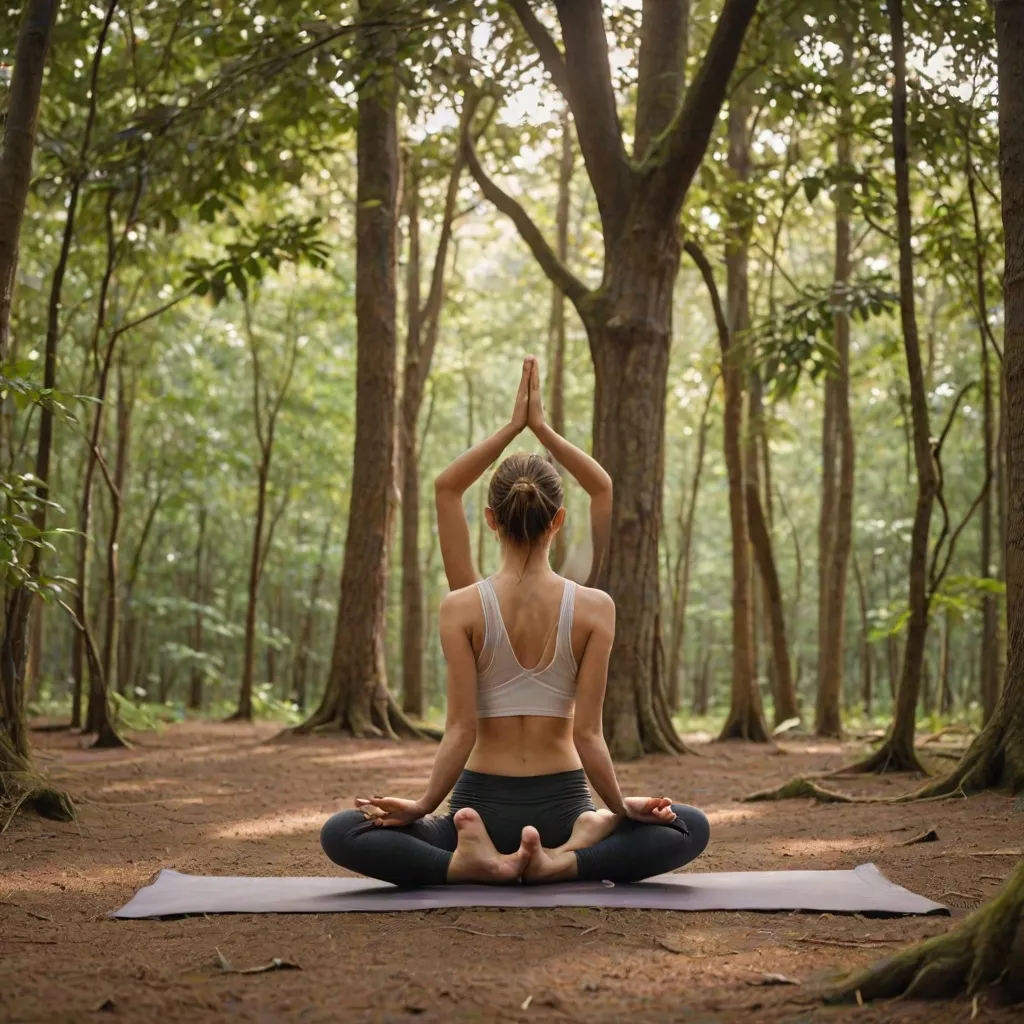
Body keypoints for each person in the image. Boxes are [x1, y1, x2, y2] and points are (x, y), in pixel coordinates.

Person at [320, 357, 710, 886]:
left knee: (343, 831)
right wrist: (619, 807)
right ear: (558, 521)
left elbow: (460, 729)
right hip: (566, 809)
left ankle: (463, 862)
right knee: (689, 827)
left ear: (490, 519)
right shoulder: (594, 606)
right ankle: (568, 856)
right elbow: (589, 733)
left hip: (476, 808)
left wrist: (422, 806)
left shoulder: (462, 603)